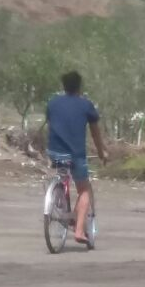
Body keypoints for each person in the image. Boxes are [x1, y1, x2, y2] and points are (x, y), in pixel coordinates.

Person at [46, 71, 107, 245]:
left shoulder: (53, 103)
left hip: (55, 151)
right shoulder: (86, 105)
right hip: (75, 154)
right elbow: (96, 134)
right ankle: (79, 231)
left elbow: (51, 126)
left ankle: (59, 199)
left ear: (63, 86)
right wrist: (102, 152)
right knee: (84, 190)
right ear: (80, 86)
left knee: (63, 174)